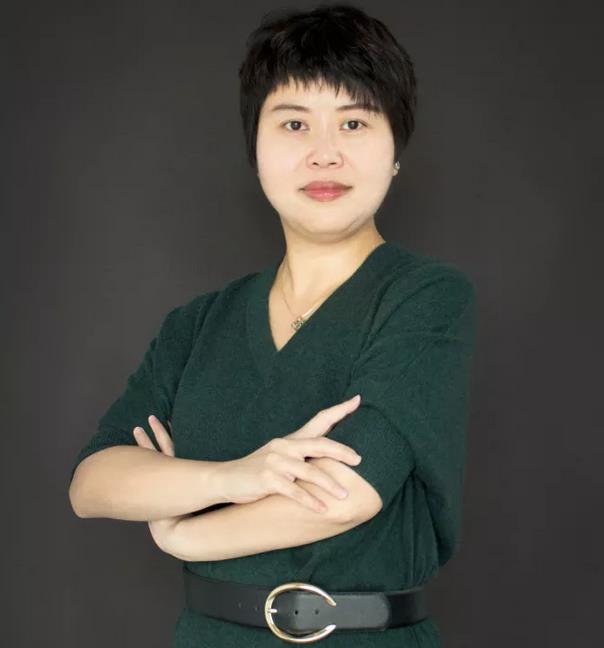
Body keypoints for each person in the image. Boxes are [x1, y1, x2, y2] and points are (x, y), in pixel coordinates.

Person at [68, 4, 477, 646]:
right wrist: (236, 475)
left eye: (354, 122)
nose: (324, 154)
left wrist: (182, 531)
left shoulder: (424, 297)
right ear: (255, 151)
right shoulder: (198, 324)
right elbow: (93, 482)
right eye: (293, 123)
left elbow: (347, 495)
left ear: (396, 150)